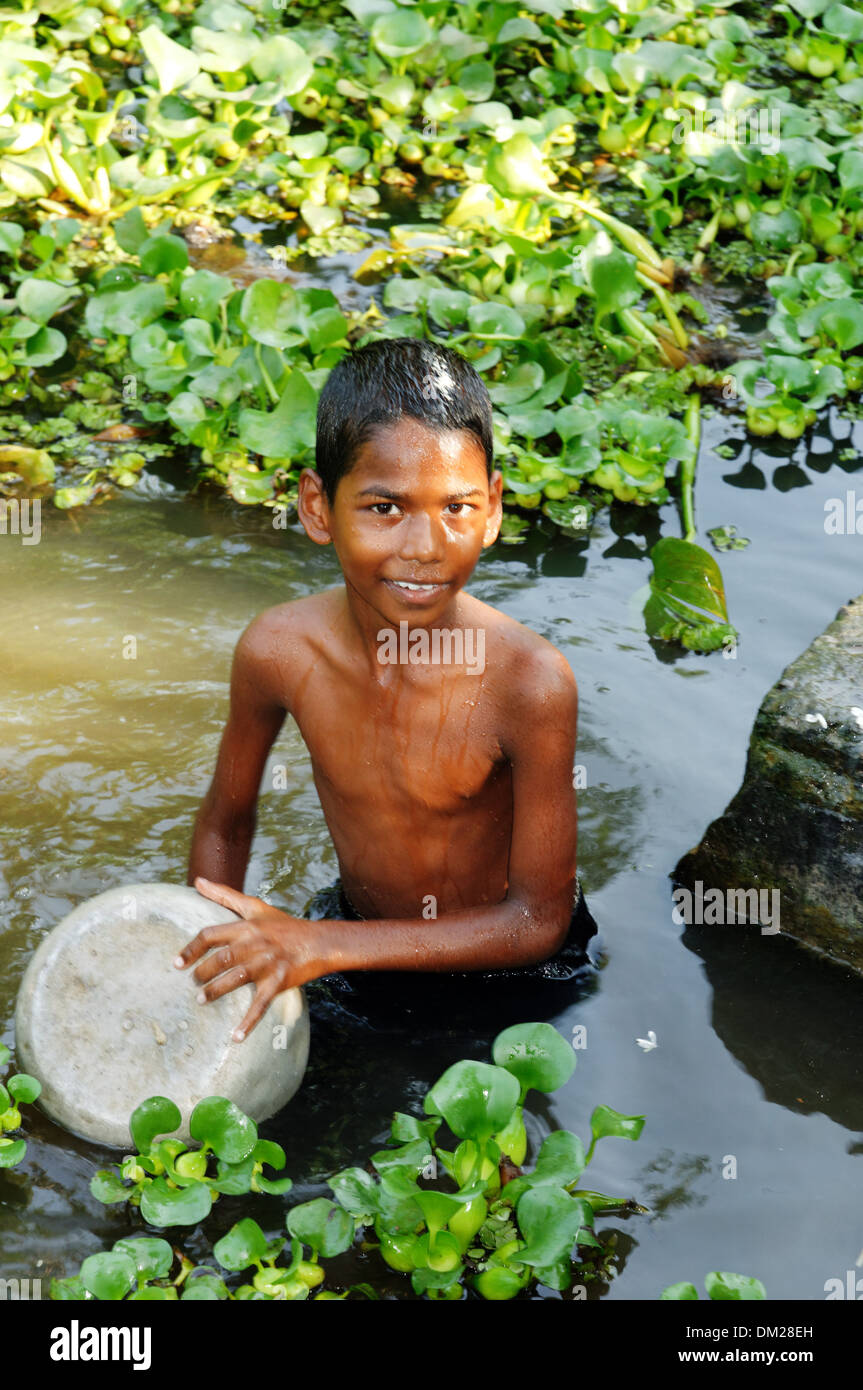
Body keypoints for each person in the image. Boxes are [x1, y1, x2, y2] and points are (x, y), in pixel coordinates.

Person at [175, 336, 597, 1039]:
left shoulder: (528, 681)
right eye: (384, 508)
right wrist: (205, 939)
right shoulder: (277, 651)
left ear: (492, 508)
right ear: (316, 507)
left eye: (456, 507)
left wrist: (319, 945)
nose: (425, 546)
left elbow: (537, 921)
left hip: (511, 975)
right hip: (351, 938)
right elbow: (227, 821)